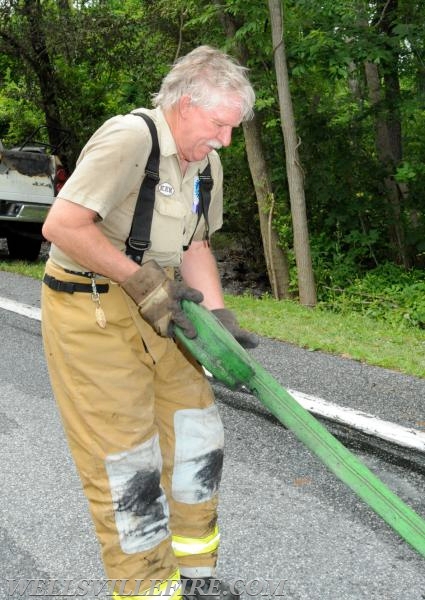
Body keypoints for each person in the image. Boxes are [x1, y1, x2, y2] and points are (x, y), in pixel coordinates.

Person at [41, 45, 257, 600]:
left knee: (197, 436)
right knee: (127, 462)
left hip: (166, 309)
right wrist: (140, 283)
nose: (226, 139)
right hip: (92, 308)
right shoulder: (130, 138)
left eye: (233, 128)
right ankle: (147, 591)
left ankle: (196, 577)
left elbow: (197, 243)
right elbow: (62, 226)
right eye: (219, 124)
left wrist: (216, 319)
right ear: (186, 105)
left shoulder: (206, 162)